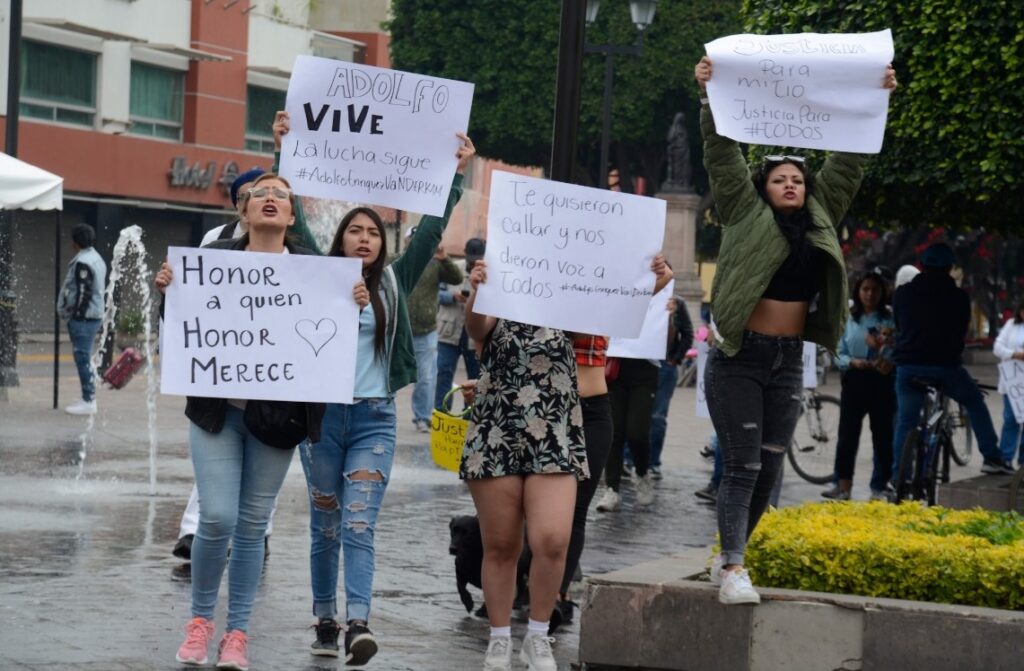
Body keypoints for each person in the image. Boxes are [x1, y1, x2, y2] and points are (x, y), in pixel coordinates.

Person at [694, 55, 898, 606]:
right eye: (780, 179)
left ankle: (725, 557)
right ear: (763, 187)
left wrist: (874, 96)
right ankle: (735, 568)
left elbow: (850, 160)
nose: (791, 185)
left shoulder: (824, 213)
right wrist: (710, 94)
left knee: (769, 470)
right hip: (739, 356)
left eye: (798, 180)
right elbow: (721, 152)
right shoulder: (742, 209)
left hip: (789, 359)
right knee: (742, 465)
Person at [285, 108, 474, 664]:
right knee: (326, 526)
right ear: (340, 241)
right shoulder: (318, 278)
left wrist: (457, 173)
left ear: (381, 244)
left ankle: (358, 625)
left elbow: (434, 229)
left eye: (372, 232)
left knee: (360, 523)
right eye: (354, 231)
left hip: (372, 419)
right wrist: (285, 153)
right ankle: (325, 616)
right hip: (321, 420)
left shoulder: (395, 279)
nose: (364, 238)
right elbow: (294, 226)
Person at [158, 173, 327, 670]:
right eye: (260, 194)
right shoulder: (211, 266)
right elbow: (182, 328)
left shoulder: (318, 274)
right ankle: (200, 622)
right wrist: (170, 290)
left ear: (292, 216)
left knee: (253, 526)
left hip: (278, 420)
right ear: (243, 211)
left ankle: (237, 633)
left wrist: (353, 304)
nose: (270, 198)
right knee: (217, 517)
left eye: (280, 194)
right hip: (218, 414)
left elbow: (335, 343)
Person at [460, 258, 589, 671]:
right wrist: (479, 288)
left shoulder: (570, 287)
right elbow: (477, 329)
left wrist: (651, 283)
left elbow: (611, 306)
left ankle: (537, 637)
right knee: (500, 545)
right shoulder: (497, 283)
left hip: (554, 431)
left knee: (552, 540)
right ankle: (499, 640)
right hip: (498, 428)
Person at [891, 242, 1013, 477]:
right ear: (949, 268)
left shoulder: (902, 294)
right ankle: (992, 457)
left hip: (907, 367)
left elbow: (899, 326)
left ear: (922, 266)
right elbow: (959, 333)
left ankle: (898, 478)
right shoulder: (958, 298)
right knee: (975, 402)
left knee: (906, 423)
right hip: (945, 368)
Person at [821, 272, 896, 501]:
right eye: (865, 289)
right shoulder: (849, 318)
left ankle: (880, 486)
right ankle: (843, 486)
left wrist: (887, 358)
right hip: (854, 379)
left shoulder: (889, 319)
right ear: (858, 292)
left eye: (874, 289)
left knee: (883, 435)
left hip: (882, 380)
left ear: (882, 292)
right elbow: (838, 351)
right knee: (847, 435)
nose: (870, 294)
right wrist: (851, 362)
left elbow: (897, 346)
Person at [407, 236, 464, 431]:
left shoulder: (436, 265)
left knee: (425, 378)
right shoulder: (399, 262)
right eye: (412, 241)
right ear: (407, 243)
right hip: (399, 331)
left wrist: (444, 257)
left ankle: (422, 417)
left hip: (426, 332)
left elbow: (457, 278)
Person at [57, 223, 107, 415]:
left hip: (84, 319)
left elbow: (83, 293)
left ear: (75, 242)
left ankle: (89, 400)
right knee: (85, 357)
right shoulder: (97, 258)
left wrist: (75, 315)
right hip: (92, 317)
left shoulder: (83, 261)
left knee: (83, 357)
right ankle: (88, 396)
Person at [435, 238, 486, 412]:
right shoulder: (452, 268)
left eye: (476, 259)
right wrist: (452, 297)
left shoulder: (489, 273)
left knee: (473, 380)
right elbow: (435, 295)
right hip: (448, 332)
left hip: (473, 338)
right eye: (470, 259)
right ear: (464, 253)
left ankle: (469, 417)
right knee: (443, 374)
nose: (472, 263)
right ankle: (442, 414)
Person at [648, 297, 695, 479]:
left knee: (657, 416)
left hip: (665, 364)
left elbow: (688, 334)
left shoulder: (676, 302)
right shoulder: (640, 295)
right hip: (641, 362)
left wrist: (675, 358)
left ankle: (653, 463)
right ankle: (629, 460)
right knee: (637, 414)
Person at [994, 303, 1024, 468]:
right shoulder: (1011, 325)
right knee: (1010, 419)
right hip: (1013, 381)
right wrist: (1013, 354)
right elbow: (998, 347)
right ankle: (1006, 457)